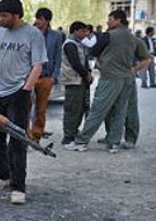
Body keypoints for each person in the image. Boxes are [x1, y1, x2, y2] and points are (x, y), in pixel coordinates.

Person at [0, 0, 47, 205]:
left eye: (5, 15)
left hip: (17, 93)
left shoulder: (33, 34)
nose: (1, 19)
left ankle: (18, 186)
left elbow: (37, 65)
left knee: (18, 139)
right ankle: (2, 175)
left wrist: (25, 89)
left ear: (16, 14)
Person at [64, 10, 151, 153]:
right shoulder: (133, 37)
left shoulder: (108, 35)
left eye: (110, 19)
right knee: (120, 111)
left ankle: (81, 141)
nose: (108, 22)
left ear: (118, 20)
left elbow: (92, 51)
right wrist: (134, 70)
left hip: (110, 78)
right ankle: (114, 143)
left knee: (97, 110)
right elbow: (146, 58)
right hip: (126, 78)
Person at [30, 8, 63, 140]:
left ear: (47, 20)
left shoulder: (56, 36)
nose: (38, 21)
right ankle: (25, 132)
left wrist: (54, 76)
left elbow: (57, 56)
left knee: (41, 108)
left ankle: (37, 133)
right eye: (37, 18)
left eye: (41, 19)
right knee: (26, 107)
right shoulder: (31, 33)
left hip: (46, 77)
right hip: (30, 76)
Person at [59, 22, 93, 146]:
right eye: (83, 31)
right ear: (75, 31)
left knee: (80, 108)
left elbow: (84, 62)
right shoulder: (70, 45)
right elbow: (76, 63)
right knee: (72, 109)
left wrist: (88, 73)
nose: (86, 33)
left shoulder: (79, 44)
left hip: (80, 81)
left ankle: (73, 132)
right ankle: (68, 136)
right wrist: (86, 74)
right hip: (73, 81)